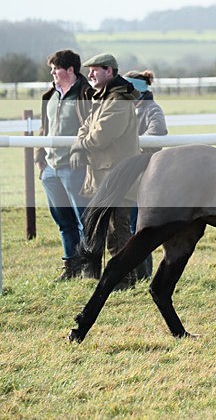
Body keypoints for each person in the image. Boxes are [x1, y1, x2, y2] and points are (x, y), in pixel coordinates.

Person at [69, 53, 141, 290]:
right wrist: (82, 142)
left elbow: (101, 135)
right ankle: (113, 277)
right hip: (103, 175)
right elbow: (85, 129)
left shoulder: (117, 99)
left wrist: (80, 145)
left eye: (95, 70)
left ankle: (124, 280)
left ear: (110, 71)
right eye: (89, 70)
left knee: (117, 231)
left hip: (117, 176)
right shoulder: (104, 97)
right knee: (104, 229)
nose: (90, 74)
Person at [35, 49, 95, 281]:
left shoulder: (87, 94)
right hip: (50, 168)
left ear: (71, 70)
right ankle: (71, 268)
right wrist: (40, 158)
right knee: (63, 221)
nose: (52, 73)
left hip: (75, 167)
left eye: (56, 68)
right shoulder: (49, 95)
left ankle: (89, 268)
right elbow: (45, 128)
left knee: (83, 220)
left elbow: (92, 129)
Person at [123, 69, 168, 281]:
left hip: (144, 175)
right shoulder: (130, 108)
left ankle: (142, 275)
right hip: (131, 173)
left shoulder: (152, 109)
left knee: (137, 228)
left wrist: (132, 148)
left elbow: (157, 133)